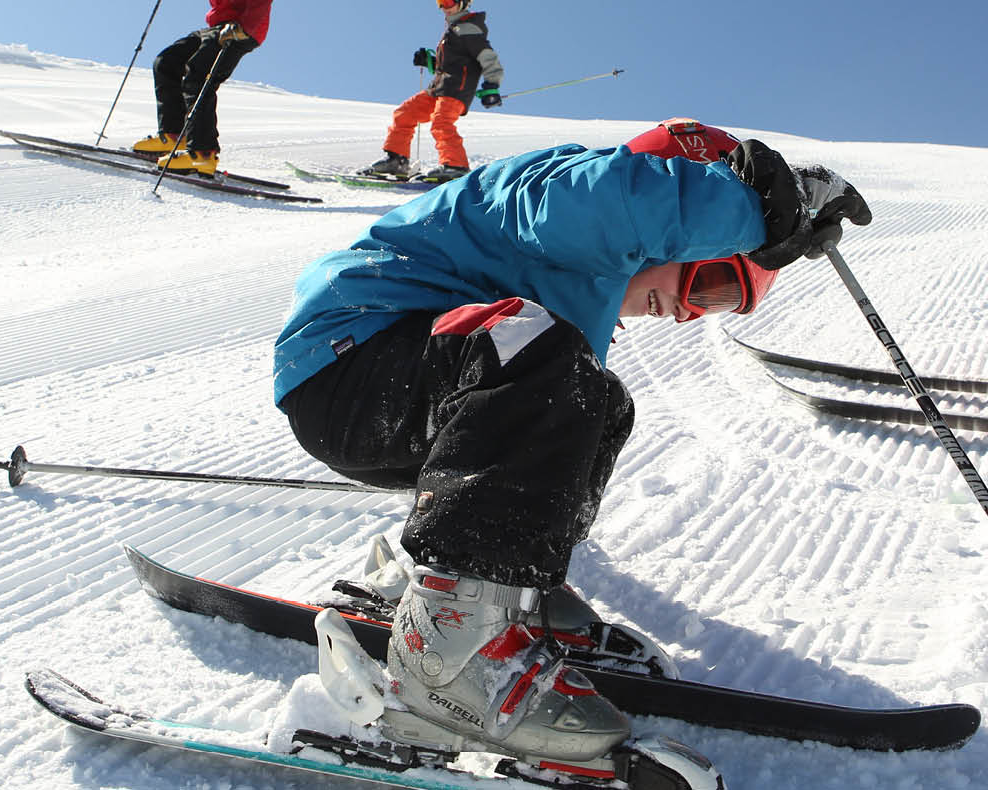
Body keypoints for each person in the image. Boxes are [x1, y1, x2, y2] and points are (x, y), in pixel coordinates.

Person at [274, 120, 871, 766]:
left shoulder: (574, 291)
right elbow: (616, 202)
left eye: (721, 304)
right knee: (541, 358)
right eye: (708, 282)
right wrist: (747, 208)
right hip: (350, 354)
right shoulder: (563, 189)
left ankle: (495, 588)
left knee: (598, 403)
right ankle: (450, 652)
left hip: (404, 377)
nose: (688, 312)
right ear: (675, 192)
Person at [358, 0, 505, 183]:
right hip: (439, 87)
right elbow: (453, 64)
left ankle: (456, 166)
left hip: (456, 88)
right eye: (440, 2)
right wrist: (430, 61)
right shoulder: (455, 29)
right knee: (405, 114)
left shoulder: (468, 27)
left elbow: (488, 57)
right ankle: (397, 160)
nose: (444, 7)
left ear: (463, 3)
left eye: (449, 1)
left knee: (441, 123)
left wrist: (492, 84)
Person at [130, 0, 273, 175]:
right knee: (166, 62)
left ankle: (203, 152)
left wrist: (245, 28)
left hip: (241, 28)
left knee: (199, 77)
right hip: (218, 26)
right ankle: (174, 135)